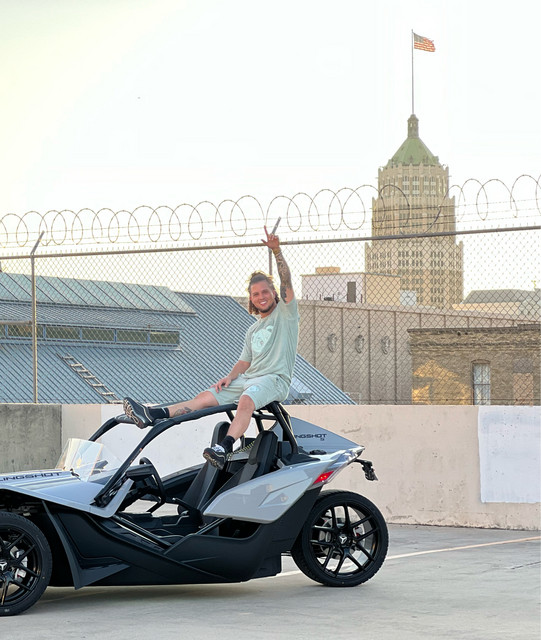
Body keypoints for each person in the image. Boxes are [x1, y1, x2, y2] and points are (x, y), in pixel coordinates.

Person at [123, 226, 299, 470]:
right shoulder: (252, 329)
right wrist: (230, 377)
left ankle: (223, 448)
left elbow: (286, 281)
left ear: (273, 293)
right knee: (204, 398)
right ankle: (152, 414)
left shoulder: (286, 314)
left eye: (265, 292)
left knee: (246, 400)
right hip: (249, 378)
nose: (261, 296)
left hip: (274, 380)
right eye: (255, 293)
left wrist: (277, 252)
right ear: (251, 298)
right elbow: (244, 361)